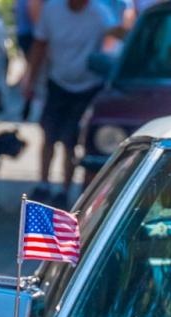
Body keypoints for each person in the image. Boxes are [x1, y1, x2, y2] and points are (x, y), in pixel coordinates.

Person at [21, 0, 127, 206]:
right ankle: (43, 184)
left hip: (87, 85)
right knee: (49, 134)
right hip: (57, 80)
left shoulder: (99, 13)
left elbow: (116, 37)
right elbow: (40, 44)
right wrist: (30, 79)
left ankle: (64, 189)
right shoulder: (52, 10)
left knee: (71, 140)